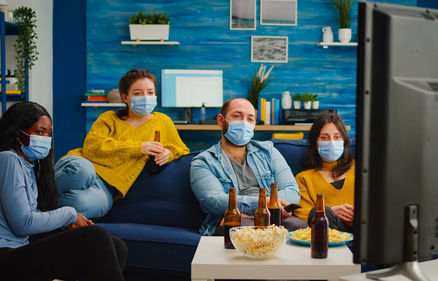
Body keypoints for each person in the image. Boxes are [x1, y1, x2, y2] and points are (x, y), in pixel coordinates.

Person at [0, 101, 127, 281]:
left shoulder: (30, 165)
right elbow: (22, 224)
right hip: (5, 258)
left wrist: (63, 224)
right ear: (18, 133)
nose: (45, 138)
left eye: (48, 133)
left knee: (116, 246)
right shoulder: (8, 160)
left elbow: (30, 216)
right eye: (39, 132)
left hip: (21, 249)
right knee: (95, 237)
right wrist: (70, 215)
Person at [55, 69, 190, 219]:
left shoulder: (163, 122)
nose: (146, 97)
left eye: (150, 92)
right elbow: (91, 148)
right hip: (88, 166)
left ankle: (36, 206)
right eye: (138, 93)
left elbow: (181, 148)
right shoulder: (109, 118)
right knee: (80, 170)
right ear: (125, 97)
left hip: (108, 188)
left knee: (79, 205)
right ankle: (36, 199)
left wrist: (169, 153)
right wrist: (139, 147)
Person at [190, 97, 300, 235]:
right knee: (242, 228)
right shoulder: (203, 162)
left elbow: (292, 191)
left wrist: (262, 211)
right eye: (237, 116)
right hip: (232, 222)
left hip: (273, 218)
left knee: (303, 227)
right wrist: (261, 206)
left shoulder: (269, 151)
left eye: (250, 119)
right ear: (220, 120)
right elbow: (214, 200)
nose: (244, 123)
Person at [287, 113, 355, 232]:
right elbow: (304, 213)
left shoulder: (360, 168)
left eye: (337, 137)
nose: (332, 142)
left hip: (364, 226)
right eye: (324, 137)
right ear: (315, 143)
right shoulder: (304, 178)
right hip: (330, 229)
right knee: (320, 213)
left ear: (344, 141)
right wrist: (331, 211)